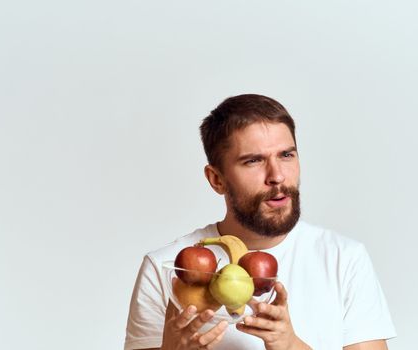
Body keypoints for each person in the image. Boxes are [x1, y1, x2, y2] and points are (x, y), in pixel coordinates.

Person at [124, 94, 396, 350]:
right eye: (253, 161)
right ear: (216, 179)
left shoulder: (344, 258)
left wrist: (290, 345)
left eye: (286, 155)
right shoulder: (167, 267)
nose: (277, 175)